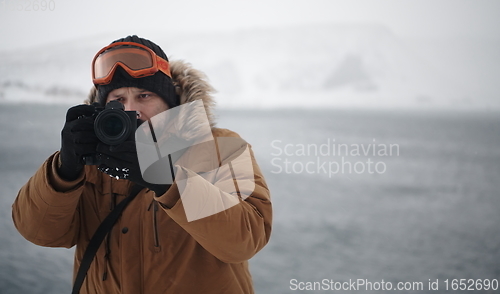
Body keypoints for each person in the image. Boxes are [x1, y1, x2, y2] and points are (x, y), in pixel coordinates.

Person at [12, 35, 272, 294]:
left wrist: (167, 181)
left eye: (144, 95)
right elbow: (38, 232)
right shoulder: (91, 161)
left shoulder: (220, 147)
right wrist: (63, 172)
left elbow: (246, 239)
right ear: (103, 107)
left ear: (170, 101)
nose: (132, 110)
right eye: (118, 100)